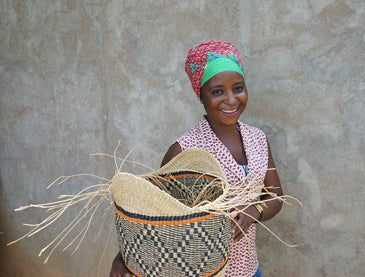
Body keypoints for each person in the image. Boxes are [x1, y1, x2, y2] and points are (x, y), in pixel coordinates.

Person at [110, 40, 283, 277]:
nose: (231, 100)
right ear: (201, 96)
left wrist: (254, 211)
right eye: (217, 92)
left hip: (249, 270)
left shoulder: (258, 139)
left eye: (238, 88)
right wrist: (123, 259)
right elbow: (154, 216)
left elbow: (276, 196)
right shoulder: (185, 151)